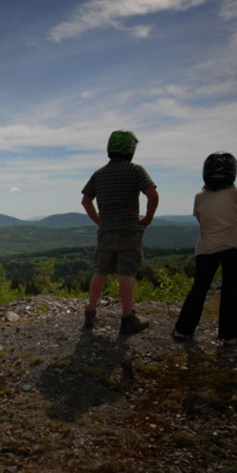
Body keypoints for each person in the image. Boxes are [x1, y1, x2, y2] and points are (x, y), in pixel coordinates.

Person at [81, 129, 159, 334]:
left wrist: (99, 221)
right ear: (131, 149)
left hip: (106, 230)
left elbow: (85, 200)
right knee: (126, 273)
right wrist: (148, 218)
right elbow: (152, 195)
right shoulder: (136, 170)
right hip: (130, 232)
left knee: (100, 271)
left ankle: (90, 312)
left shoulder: (99, 173)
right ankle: (127, 318)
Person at [172, 151, 237, 345]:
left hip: (207, 247)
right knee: (231, 289)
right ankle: (230, 335)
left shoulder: (200, 196)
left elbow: (200, 219)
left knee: (199, 288)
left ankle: (183, 330)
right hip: (236, 246)